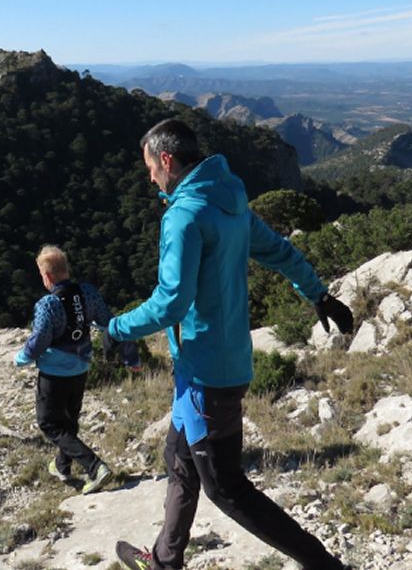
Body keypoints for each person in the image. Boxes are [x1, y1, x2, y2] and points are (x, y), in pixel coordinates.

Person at [109, 119, 354, 570]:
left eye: (150, 167)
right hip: (209, 364)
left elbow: (169, 304)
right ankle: (164, 560)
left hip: (207, 374)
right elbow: (277, 250)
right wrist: (317, 292)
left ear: (167, 160)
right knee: (179, 461)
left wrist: (116, 329)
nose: (149, 178)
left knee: (225, 487)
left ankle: (324, 565)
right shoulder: (231, 198)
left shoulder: (183, 216)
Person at [16, 245, 142, 494]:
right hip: (81, 368)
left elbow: (40, 340)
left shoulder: (48, 304)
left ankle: (95, 468)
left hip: (54, 373)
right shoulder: (87, 292)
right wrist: (131, 356)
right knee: (69, 421)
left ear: (47, 276)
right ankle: (62, 466)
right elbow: (112, 323)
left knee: (50, 424)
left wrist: (22, 357)